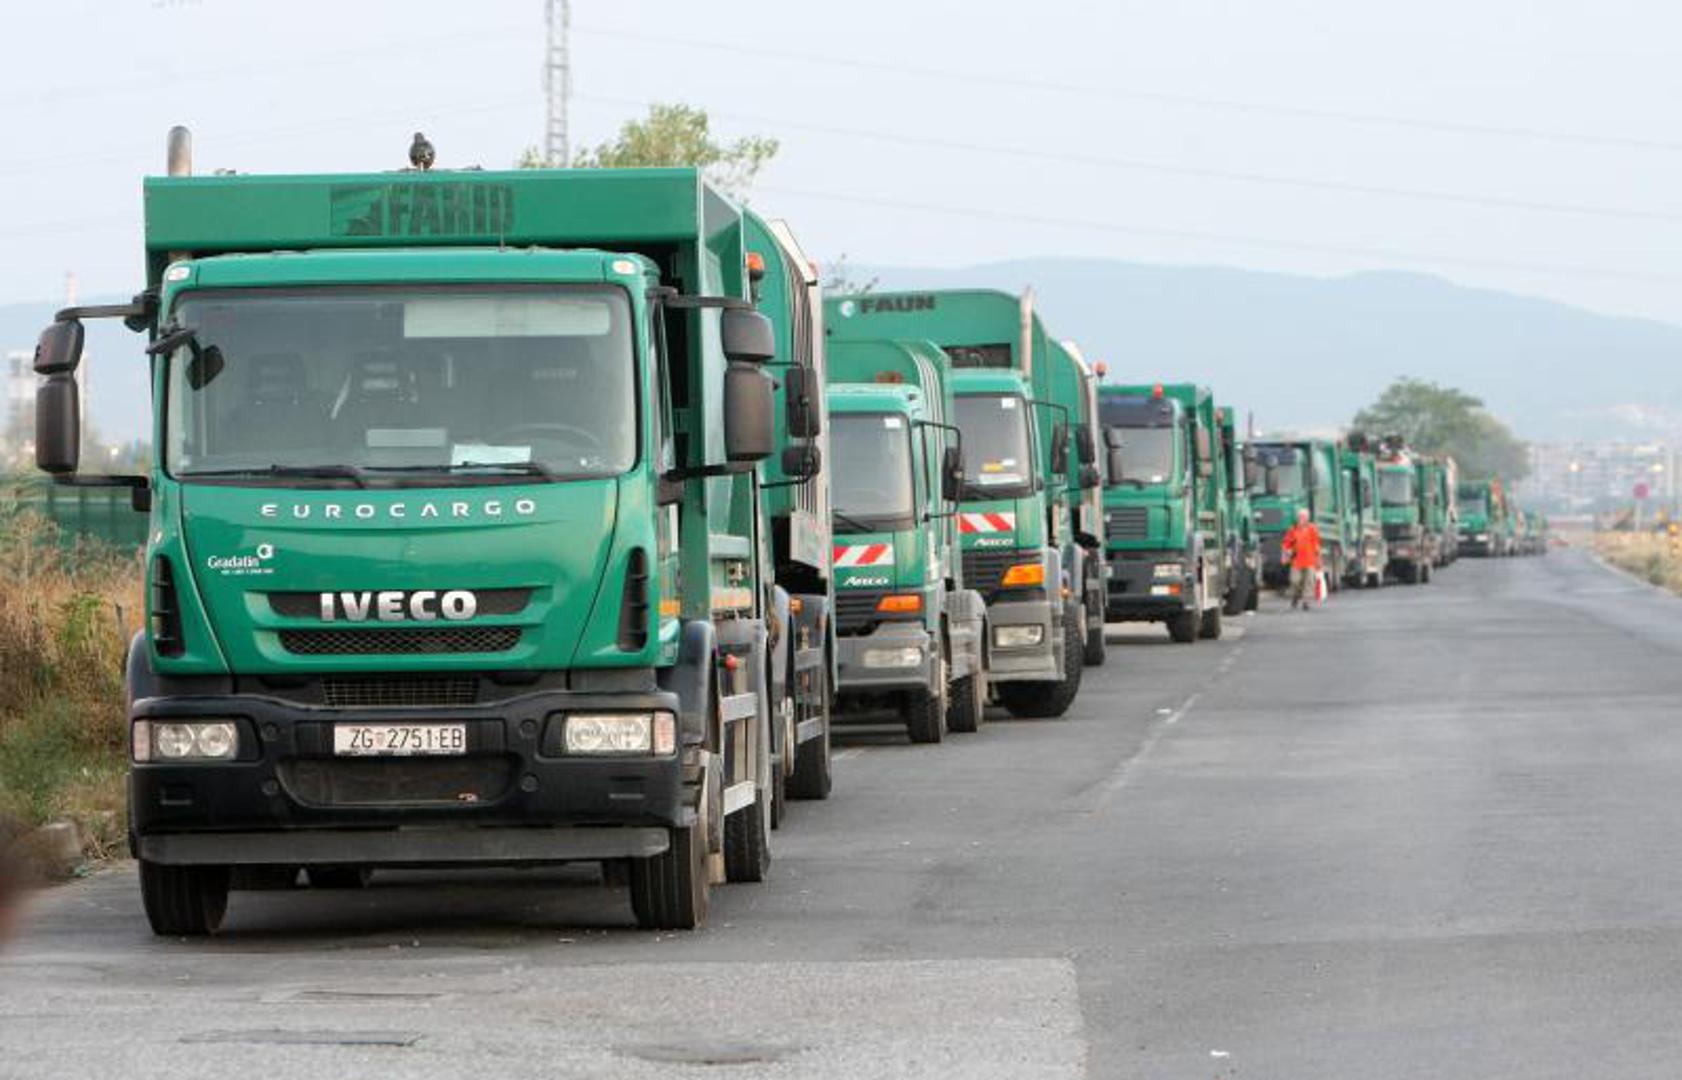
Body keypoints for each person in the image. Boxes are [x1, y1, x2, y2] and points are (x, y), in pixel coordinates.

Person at [1281, 507, 1323, 610]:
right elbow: (1286, 543)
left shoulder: (1312, 529)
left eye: (1304, 516)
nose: (1302, 518)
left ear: (1308, 518)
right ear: (1297, 517)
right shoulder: (1293, 529)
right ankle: (1296, 597)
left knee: (1309, 582)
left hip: (1309, 560)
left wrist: (1318, 557)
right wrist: (1287, 551)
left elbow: (1316, 543)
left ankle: (1306, 601)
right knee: (1295, 581)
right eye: (1300, 516)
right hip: (1296, 561)